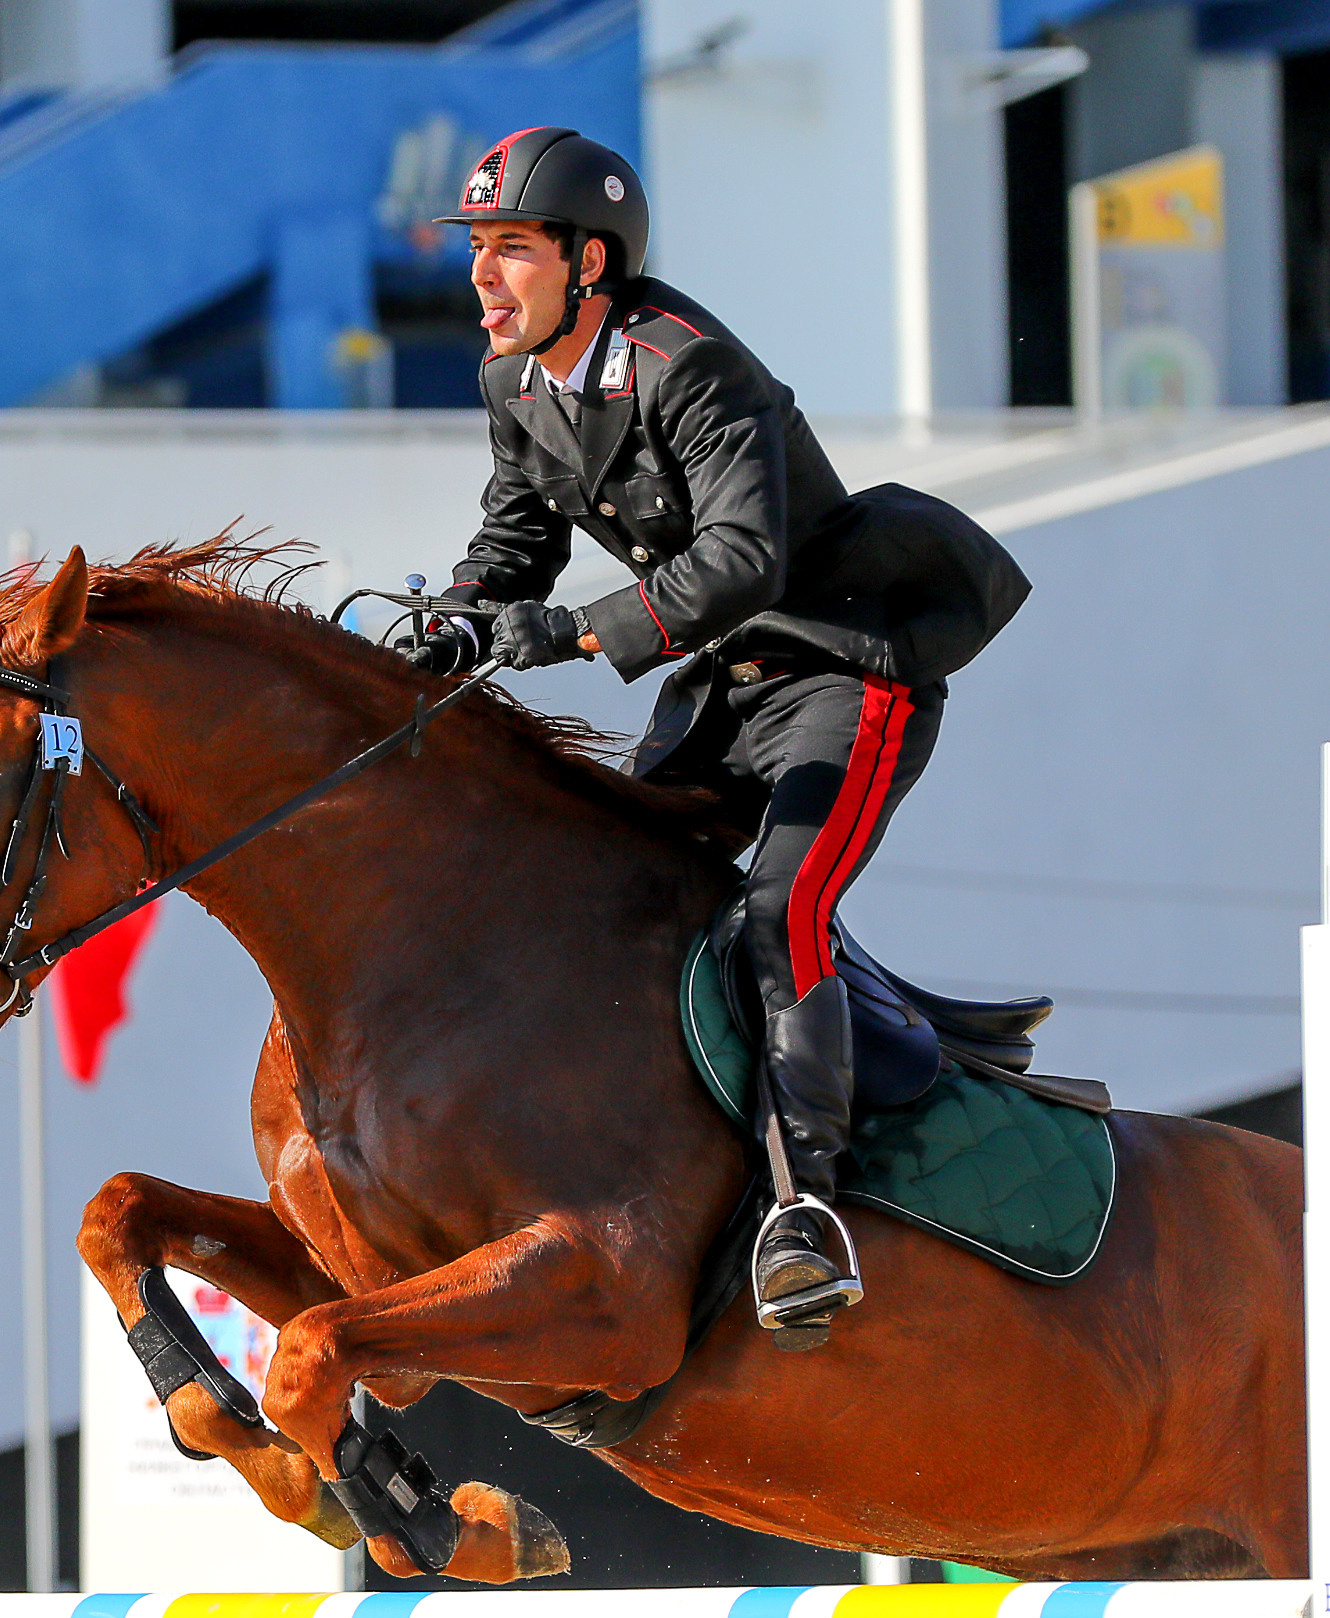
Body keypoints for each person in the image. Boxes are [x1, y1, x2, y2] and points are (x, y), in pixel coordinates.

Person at [410, 127, 1031, 1349]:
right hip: (729, 686)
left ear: (590, 262)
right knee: (612, 881)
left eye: (511, 252)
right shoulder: (513, 386)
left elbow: (743, 558)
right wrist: (457, 624)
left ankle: (807, 1212)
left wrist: (576, 636)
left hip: (849, 675)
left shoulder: (688, 366)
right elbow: (511, 546)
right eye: (478, 253)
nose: (483, 280)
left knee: (773, 911)